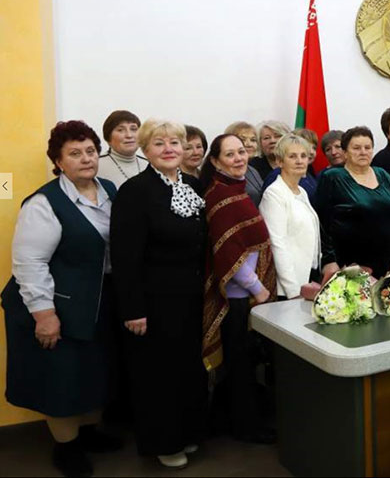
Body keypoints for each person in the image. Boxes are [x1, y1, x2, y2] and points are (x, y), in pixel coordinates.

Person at [2, 121, 122, 477]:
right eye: (74, 153)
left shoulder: (110, 190)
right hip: (54, 305)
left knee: (93, 371)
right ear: (58, 160)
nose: (85, 159)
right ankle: (66, 449)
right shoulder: (44, 203)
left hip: (97, 300)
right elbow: (29, 263)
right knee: (61, 379)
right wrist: (45, 315)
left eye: (89, 151)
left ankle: (87, 435)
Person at [110, 119, 207, 469]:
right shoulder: (135, 191)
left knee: (187, 368)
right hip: (154, 299)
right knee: (159, 375)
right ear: (146, 150)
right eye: (159, 143)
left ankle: (188, 431)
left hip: (188, 296)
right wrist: (133, 308)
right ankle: (164, 442)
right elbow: (124, 256)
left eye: (175, 143)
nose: (169, 149)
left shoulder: (191, 185)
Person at [200, 134, 277, 444]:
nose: (238, 158)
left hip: (246, 294)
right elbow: (231, 254)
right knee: (240, 366)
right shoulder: (220, 196)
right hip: (237, 297)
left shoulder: (235, 188)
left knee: (240, 364)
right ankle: (246, 428)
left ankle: (229, 420)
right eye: (229, 154)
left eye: (242, 152)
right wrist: (258, 289)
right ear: (216, 161)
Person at [315, 127, 390, 280]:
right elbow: (322, 221)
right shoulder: (333, 177)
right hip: (349, 262)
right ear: (345, 152)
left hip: (386, 260)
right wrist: (329, 260)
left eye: (367, 147)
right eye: (356, 148)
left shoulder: (382, 174)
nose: (363, 152)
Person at [259, 135, 323, 300]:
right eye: (292, 156)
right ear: (280, 161)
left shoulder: (301, 191)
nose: (299, 161)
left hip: (308, 275)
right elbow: (277, 243)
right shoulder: (274, 193)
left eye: (303, 156)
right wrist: (292, 290)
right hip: (288, 285)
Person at [98, 110, 149, 188]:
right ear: (108, 137)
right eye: (120, 130)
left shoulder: (149, 165)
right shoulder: (96, 166)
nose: (129, 135)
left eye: (133, 129)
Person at [224, 121, 264, 206]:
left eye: (253, 140)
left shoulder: (253, 170)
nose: (249, 144)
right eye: (242, 140)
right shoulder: (228, 171)